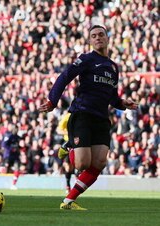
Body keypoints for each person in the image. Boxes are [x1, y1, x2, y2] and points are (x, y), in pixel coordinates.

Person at [38, 25, 138, 210]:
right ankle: (68, 146)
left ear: (107, 38)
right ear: (90, 41)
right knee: (81, 164)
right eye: (94, 36)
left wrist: (123, 103)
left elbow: (111, 96)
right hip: (82, 113)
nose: (98, 38)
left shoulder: (113, 67)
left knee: (99, 163)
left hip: (101, 119)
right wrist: (52, 101)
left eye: (101, 35)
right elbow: (64, 77)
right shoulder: (86, 59)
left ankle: (68, 201)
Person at [56, 111, 76, 194]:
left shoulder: (83, 116)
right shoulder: (67, 117)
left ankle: (79, 183)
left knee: (78, 164)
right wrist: (68, 133)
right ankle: (68, 185)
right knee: (69, 167)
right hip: (69, 143)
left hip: (80, 143)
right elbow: (59, 130)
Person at [1, 124, 21, 190]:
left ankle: (14, 184)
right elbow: (3, 144)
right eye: (15, 129)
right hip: (8, 155)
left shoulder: (17, 137)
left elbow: (18, 146)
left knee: (17, 168)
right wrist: (11, 149)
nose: (16, 130)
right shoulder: (8, 135)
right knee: (5, 169)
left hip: (15, 156)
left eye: (17, 129)